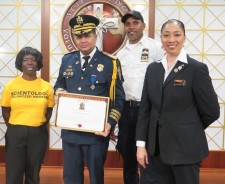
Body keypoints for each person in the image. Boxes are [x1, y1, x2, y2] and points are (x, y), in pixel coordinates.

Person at [136, 19, 220, 184]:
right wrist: (140, 145)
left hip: (185, 150)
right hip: (154, 151)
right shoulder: (152, 69)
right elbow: (145, 110)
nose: (171, 40)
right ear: (161, 39)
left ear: (184, 38)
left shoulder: (196, 69)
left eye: (177, 35)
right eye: (166, 35)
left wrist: (188, 127)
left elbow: (211, 111)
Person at [54, 14, 125, 184]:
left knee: (96, 178)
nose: (83, 40)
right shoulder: (67, 60)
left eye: (87, 35)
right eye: (78, 36)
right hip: (71, 133)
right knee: (71, 178)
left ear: (95, 35)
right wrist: (60, 93)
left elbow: (118, 99)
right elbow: (58, 84)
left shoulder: (110, 63)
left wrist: (110, 123)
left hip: (96, 134)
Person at [115, 10, 164, 184]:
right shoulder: (120, 55)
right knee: (128, 153)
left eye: (135, 23)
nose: (131, 27)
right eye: (127, 24)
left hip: (148, 109)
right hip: (127, 110)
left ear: (143, 25)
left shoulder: (156, 47)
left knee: (149, 154)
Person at [1, 47, 54, 184]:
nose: (30, 62)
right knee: (13, 173)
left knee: (33, 174)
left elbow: (49, 110)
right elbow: (5, 109)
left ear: (38, 63)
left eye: (33, 60)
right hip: (15, 132)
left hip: (38, 133)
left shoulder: (46, 87)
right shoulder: (11, 85)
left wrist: (39, 125)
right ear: (20, 63)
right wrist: (15, 126)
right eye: (25, 60)